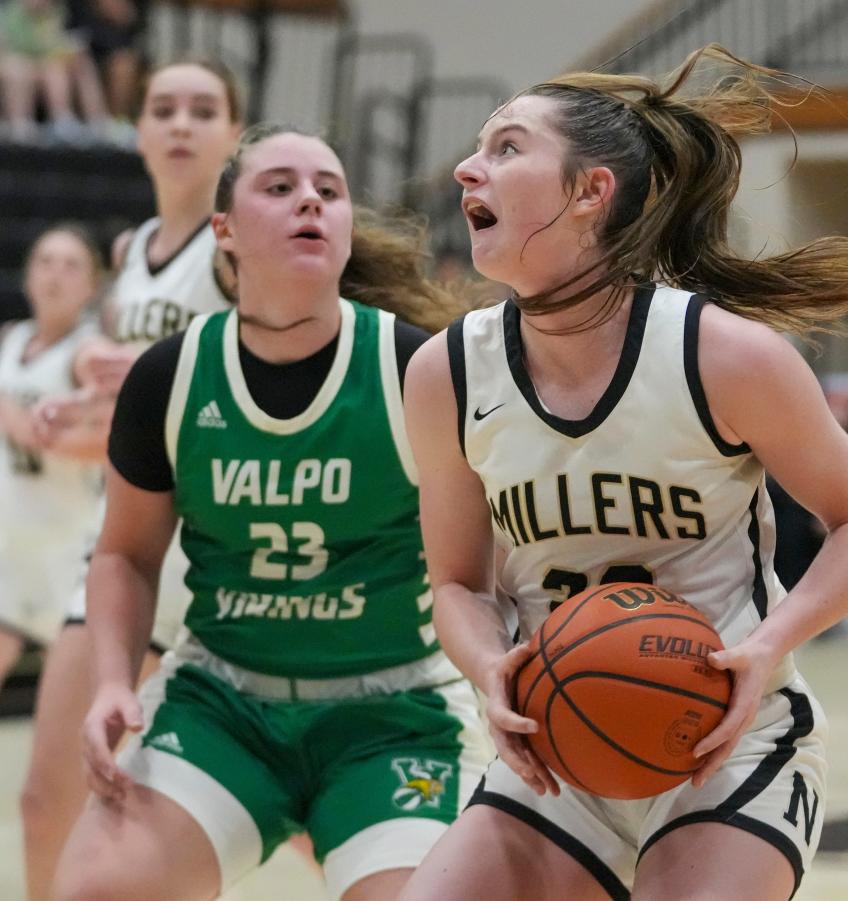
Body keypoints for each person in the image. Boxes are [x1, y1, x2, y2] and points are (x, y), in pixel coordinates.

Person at [396, 45, 848, 901]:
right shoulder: (446, 373)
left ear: (588, 190)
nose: (467, 166)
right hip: (555, 751)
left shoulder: (723, 353)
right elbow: (457, 581)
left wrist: (761, 649)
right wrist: (489, 668)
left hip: (727, 740)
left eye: (506, 147)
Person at [50, 123, 490, 901]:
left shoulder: (412, 367)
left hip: (392, 714)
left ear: (349, 227)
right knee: (96, 889)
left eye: (329, 189)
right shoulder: (171, 377)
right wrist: (115, 679)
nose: (310, 202)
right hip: (224, 704)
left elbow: (487, 558)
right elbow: (123, 554)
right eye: (280, 188)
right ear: (224, 230)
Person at [18, 58, 241, 901]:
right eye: (164, 108)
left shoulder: (234, 250)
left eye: (203, 109)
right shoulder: (129, 254)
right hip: (128, 541)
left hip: (218, 546)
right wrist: (69, 423)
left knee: (238, 814)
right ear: (138, 130)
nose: (181, 123)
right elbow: (131, 427)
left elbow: (249, 391)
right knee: (47, 800)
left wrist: (145, 369)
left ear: (231, 133)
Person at [0, 224, 104, 691]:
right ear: (26, 277)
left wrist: (31, 429)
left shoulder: (88, 353)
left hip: (65, 553)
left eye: (71, 264)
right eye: (45, 261)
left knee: (77, 713)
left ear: (92, 286)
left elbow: (108, 438)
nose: (55, 275)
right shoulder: (11, 340)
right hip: (12, 544)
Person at [0, 0, 109, 142]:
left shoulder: (58, 12)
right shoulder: (10, 12)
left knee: (57, 70)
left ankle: (67, 121)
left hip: (45, 66)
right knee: (16, 69)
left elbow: (55, 43)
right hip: (16, 66)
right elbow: (8, 49)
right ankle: (19, 125)